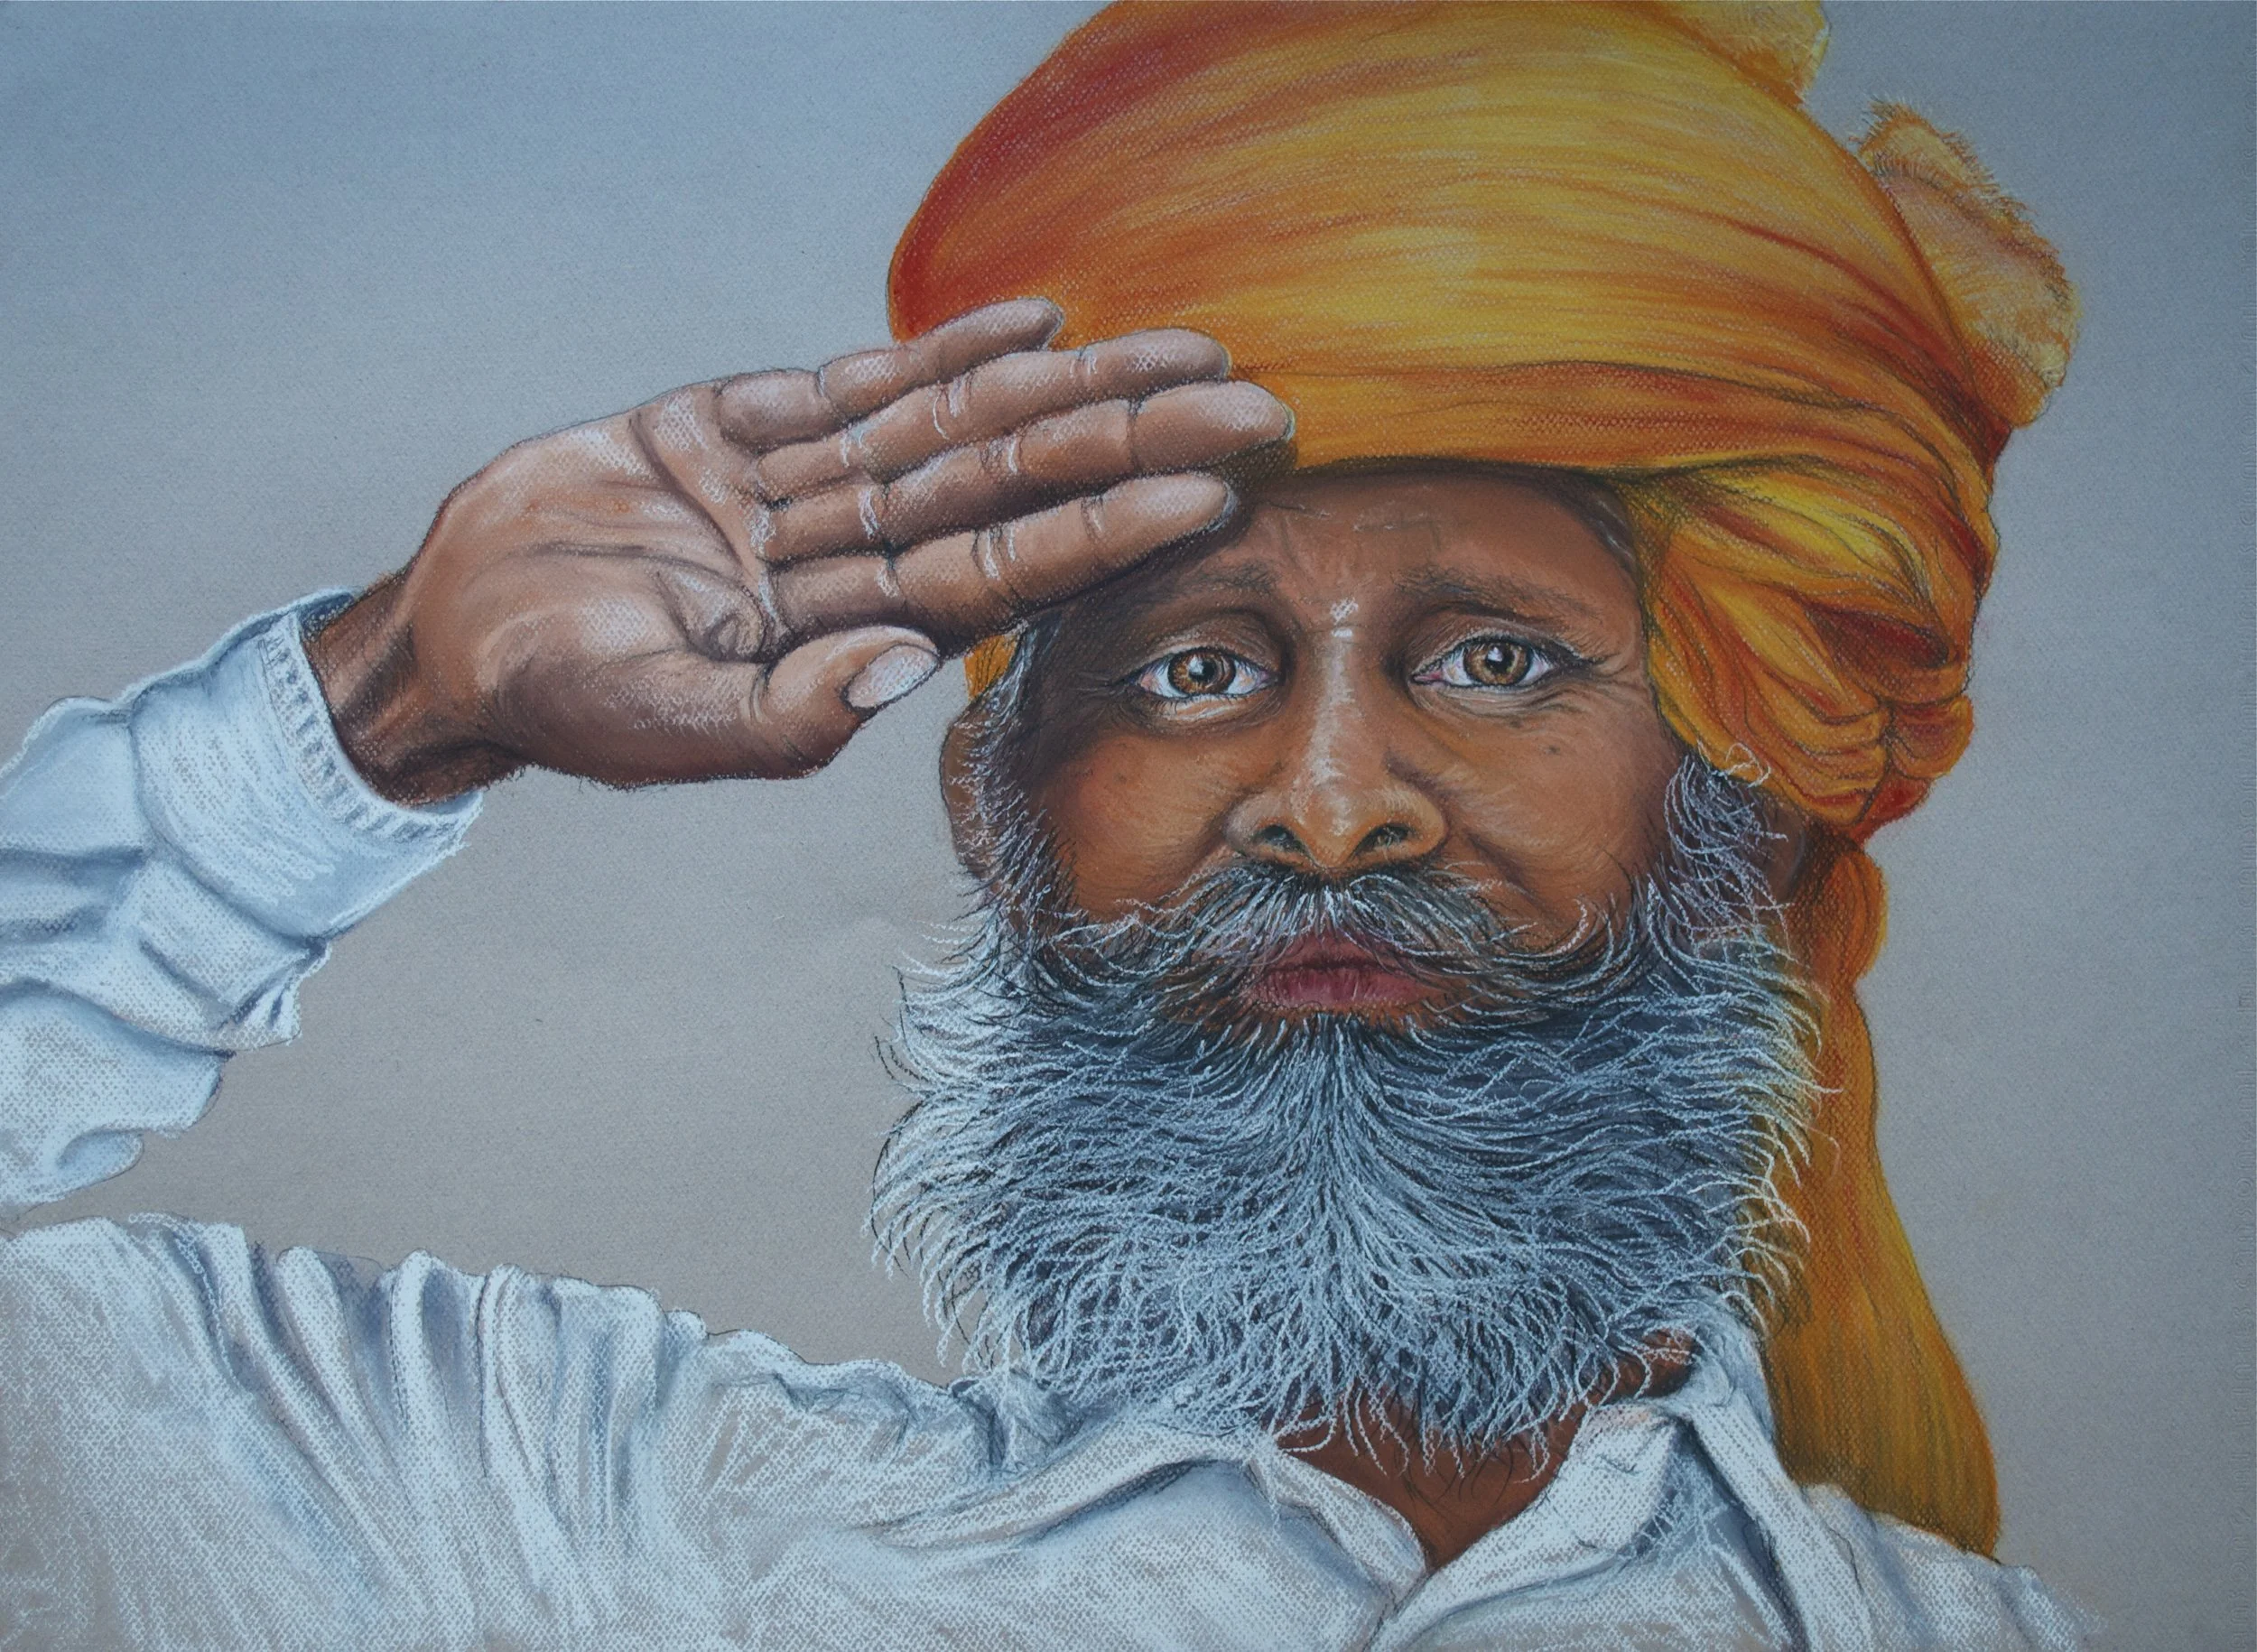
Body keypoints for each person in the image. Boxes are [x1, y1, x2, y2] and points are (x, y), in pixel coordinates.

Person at [0, 4, 2089, 1647]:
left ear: (1746, 817)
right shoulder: (552, 1514)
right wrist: (393, 700)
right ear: (998, 819)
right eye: (1190, 670)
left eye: (1491, 663)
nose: (1334, 810)